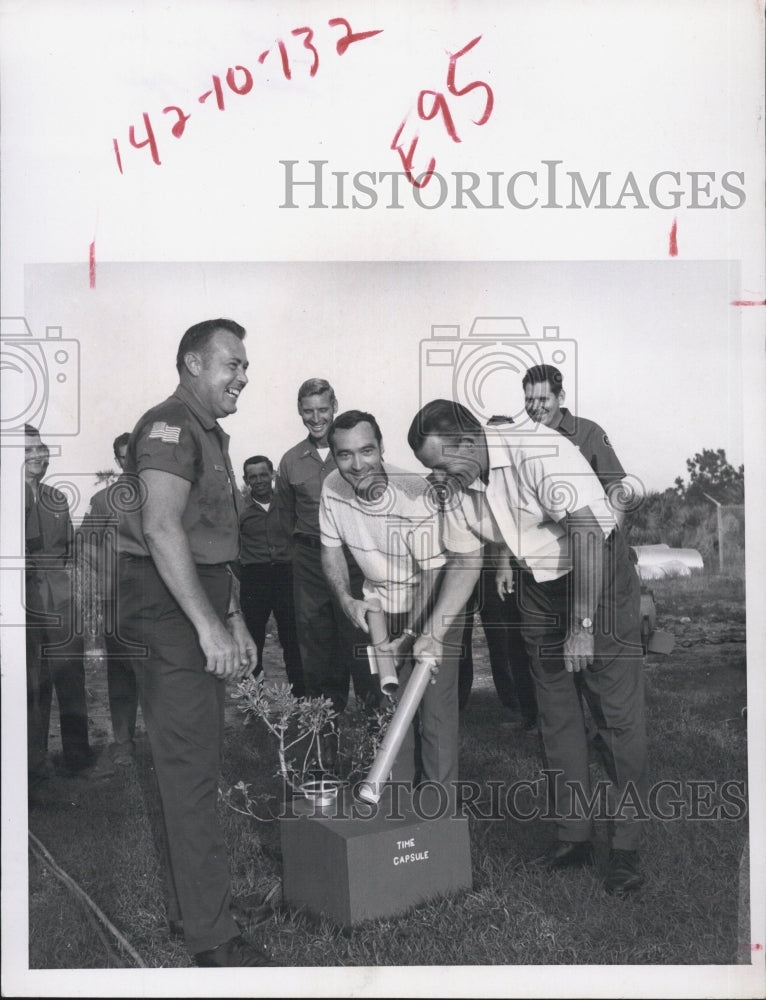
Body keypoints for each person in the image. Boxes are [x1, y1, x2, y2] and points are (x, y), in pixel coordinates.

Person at [407, 399, 648, 896]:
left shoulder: (534, 447)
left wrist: (582, 625)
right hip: (538, 582)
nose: (438, 477)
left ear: (468, 441)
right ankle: (573, 839)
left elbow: (585, 532)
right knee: (555, 714)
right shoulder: (457, 484)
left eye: (441, 464)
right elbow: (466, 560)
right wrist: (434, 629)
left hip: (597, 574)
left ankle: (626, 849)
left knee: (615, 718)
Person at [117, 318, 276, 966]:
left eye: (244, 366)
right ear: (191, 363)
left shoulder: (208, 434)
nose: (243, 376)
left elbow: (209, 539)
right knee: (188, 770)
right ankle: (212, 938)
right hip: (168, 608)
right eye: (231, 364)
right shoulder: (171, 426)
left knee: (199, 762)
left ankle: (197, 910)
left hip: (197, 597)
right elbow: (160, 528)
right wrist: (207, 624)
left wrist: (230, 615)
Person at [319, 410, 461, 790]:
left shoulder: (415, 492)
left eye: (367, 451)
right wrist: (347, 600)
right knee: (386, 709)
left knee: (432, 713)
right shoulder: (332, 486)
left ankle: (438, 812)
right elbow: (330, 550)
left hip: (433, 605)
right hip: (380, 607)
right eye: (345, 454)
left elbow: (434, 573)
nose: (357, 464)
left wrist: (412, 633)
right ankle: (395, 806)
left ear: (382, 448)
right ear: (333, 456)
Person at [276, 379, 378, 715]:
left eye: (323, 409)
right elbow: (285, 519)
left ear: (334, 405)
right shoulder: (290, 460)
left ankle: (378, 733)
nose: (316, 417)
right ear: (299, 412)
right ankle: (323, 741)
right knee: (317, 648)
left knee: (364, 642)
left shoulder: (354, 454)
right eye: (308, 411)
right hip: (310, 561)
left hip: (355, 557)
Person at [455, 416, 537, 730]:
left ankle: (520, 705)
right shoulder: (471, 473)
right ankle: (458, 705)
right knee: (462, 638)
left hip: (502, 569)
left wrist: (504, 561)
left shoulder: (518, 475)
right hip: (466, 565)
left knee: (508, 638)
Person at [25, 424, 93, 783]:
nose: (38, 455)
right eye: (28, 450)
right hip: (24, 595)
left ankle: (78, 758)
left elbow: (67, 549)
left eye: (41, 448)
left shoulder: (57, 497)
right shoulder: (8, 496)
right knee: (32, 682)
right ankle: (34, 765)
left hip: (60, 593)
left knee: (70, 673)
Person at [79, 432, 140, 772]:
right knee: (121, 671)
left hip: (161, 598)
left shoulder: (165, 493)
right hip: (119, 598)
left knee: (163, 670)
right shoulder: (103, 499)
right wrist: (109, 578)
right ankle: (124, 742)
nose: (129, 462)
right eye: (123, 457)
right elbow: (86, 544)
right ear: (117, 461)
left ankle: (166, 742)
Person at [522, 364, 628, 515]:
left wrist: (613, 535)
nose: (535, 407)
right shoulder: (523, 440)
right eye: (530, 400)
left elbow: (615, 491)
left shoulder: (589, 432)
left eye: (543, 399)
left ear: (561, 397)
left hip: (589, 531)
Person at [238, 455, 304, 695]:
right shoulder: (241, 510)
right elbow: (234, 549)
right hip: (254, 578)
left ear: (273, 474)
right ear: (246, 480)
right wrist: (248, 572)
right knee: (252, 640)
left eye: (263, 474)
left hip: (287, 577)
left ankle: (300, 698)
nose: (259, 481)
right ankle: (253, 701)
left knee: (292, 639)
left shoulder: (288, 505)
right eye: (252, 477)